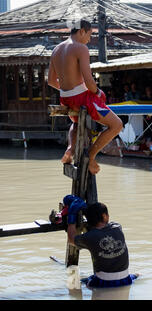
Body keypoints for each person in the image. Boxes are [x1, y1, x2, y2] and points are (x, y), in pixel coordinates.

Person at [47, 19, 123, 175]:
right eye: (89, 34)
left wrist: (69, 90)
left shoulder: (56, 49)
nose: (90, 39)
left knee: (76, 123)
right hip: (81, 97)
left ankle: (70, 148)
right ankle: (91, 156)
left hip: (65, 98)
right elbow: (89, 81)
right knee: (117, 125)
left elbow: (51, 81)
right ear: (82, 31)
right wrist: (98, 93)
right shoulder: (80, 48)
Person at [64, 196, 139, 288]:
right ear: (105, 216)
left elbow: (71, 239)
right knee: (138, 275)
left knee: (78, 283)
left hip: (103, 282)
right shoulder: (118, 227)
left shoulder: (90, 237)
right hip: (126, 280)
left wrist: (72, 217)